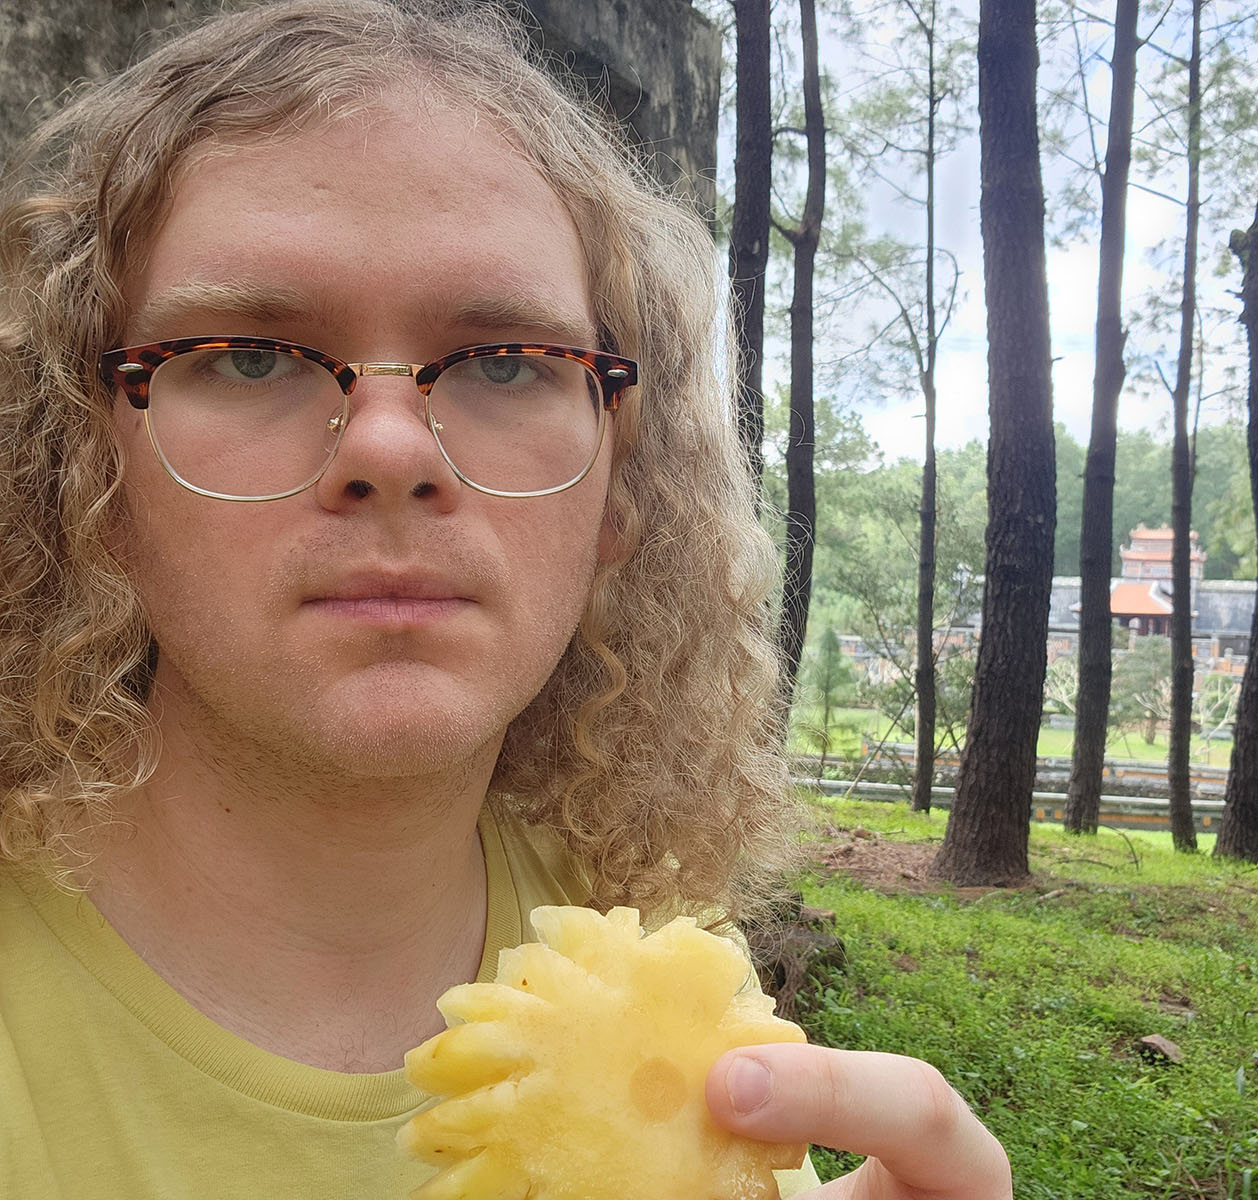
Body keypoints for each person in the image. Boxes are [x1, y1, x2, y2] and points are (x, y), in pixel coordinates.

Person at [0, 0, 1010, 1196]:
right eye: (247, 355)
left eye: (502, 361)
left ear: (620, 492)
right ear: (85, 466)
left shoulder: (634, 977)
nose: (387, 444)